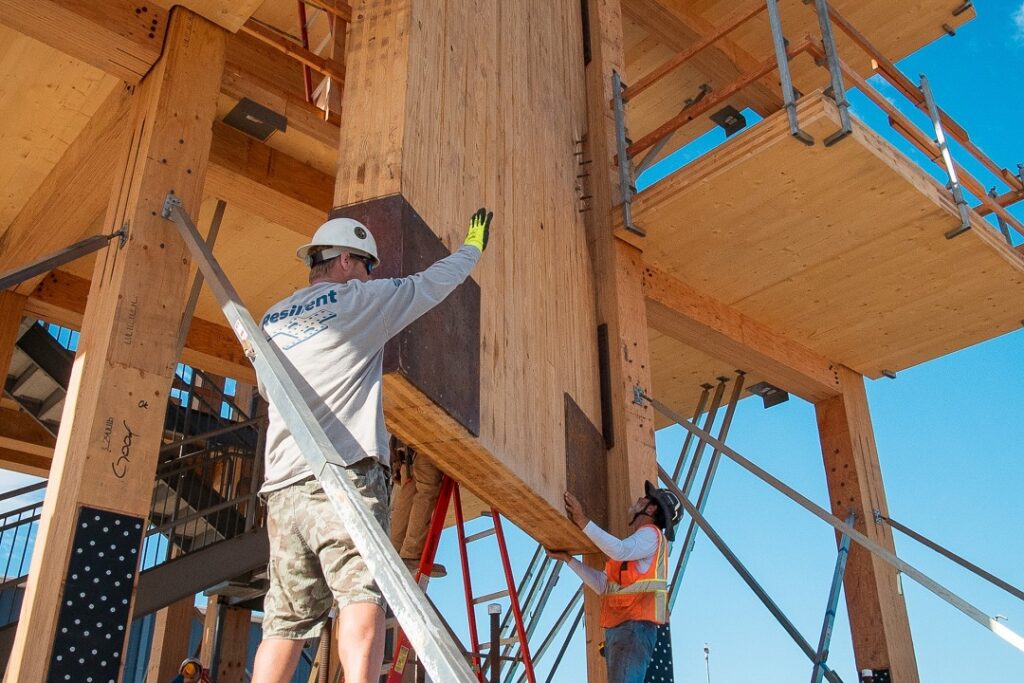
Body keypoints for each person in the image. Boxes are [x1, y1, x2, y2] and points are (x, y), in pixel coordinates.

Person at [251, 208, 493, 683]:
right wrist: (472, 249)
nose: (368, 274)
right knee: (360, 595)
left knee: (285, 620)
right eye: (366, 265)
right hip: (343, 474)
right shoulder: (360, 301)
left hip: (282, 488)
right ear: (345, 261)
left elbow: (266, 389)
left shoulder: (272, 318)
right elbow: (430, 285)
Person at [547, 482, 681, 683]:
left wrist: (582, 520)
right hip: (625, 629)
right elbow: (603, 585)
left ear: (651, 508)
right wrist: (569, 560)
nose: (639, 500)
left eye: (646, 499)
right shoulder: (636, 546)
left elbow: (618, 550)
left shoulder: (651, 535)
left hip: (633, 627)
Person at [389, 436, 447, 577]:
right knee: (426, 493)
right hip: (426, 445)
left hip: (406, 452)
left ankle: (394, 553)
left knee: (406, 496)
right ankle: (411, 554)